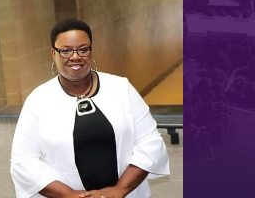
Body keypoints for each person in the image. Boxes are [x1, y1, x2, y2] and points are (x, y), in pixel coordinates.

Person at [10, 18, 170, 198]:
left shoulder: (121, 88)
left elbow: (151, 143)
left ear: (91, 51)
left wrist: (120, 190)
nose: (75, 56)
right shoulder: (38, 100)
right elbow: (23, 162)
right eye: (65, 51)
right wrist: (70, 195)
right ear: (53, 54)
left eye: (83, 49)